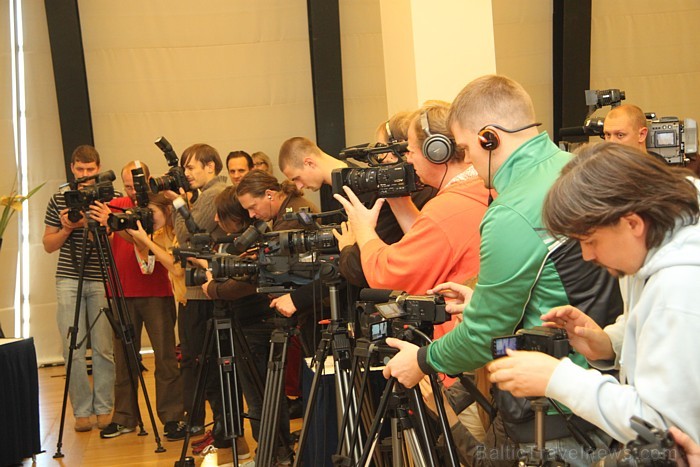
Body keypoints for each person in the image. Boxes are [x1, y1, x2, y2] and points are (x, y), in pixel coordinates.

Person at [382, 75, 623, 466]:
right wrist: (483, 299)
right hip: (605, 391)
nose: (471, 164)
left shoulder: (511, 210)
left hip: (556, 414)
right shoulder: (576, 166)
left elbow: (483, 337)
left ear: (489, 138)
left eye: (465, 148)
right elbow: (566, 280)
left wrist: (423, 361)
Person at [486, 142, 700, 446]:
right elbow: (653, 328)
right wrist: (609, 344)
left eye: (590, 240)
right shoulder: (655, 247)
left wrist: (559, 379)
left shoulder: (680, 288)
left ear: (632, 223)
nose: (587, 255)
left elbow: (666, 432)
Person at [199, 186, 293, 465]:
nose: (216, 220)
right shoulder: (245, 240)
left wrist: (213, 287)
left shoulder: (255, 244)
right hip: (257, 322)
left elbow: (246, 283)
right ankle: (275, 454)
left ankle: (272, 456)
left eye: (221, 214)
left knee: (260, 399)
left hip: (255, 324)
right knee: (267, 396)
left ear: (236, 218)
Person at [89, 161, 184, 440]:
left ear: (147, 179)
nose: (132, 191)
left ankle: (172, 417)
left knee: (165, 356)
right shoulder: (115, 204)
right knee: (123, 358)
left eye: (135, 184)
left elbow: (145, 243)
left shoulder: (159, 206)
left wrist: (115, 223)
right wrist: (105, 221)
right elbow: (101, 239)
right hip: (120, 290)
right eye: (127, 185)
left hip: (157, 292)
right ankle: (124, 417)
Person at [42, 144, 115, 432]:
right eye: (80, 169)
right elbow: (48, 245)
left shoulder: (107, 199)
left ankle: (105, 407)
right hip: (68, 278)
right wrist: (69, 228)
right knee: (72, 347)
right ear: (72, 168)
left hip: (99, 276)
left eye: (90, 170)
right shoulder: (59, 198)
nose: (85, 175)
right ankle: (82, 411)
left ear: (98, 169)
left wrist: (101, 222)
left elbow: (113, 247)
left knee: (103, 347)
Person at [161, 143, 229, 444]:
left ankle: (218, 428)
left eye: (191, 167)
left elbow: (185, 236)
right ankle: (219, 427)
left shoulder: (214, 195)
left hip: (203, 294)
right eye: (184, 168)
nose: (186, 174)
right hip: (200, 289)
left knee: (201, 359)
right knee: (202, 359)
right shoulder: (209, 194)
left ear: (210, 167)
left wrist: (178, 203)